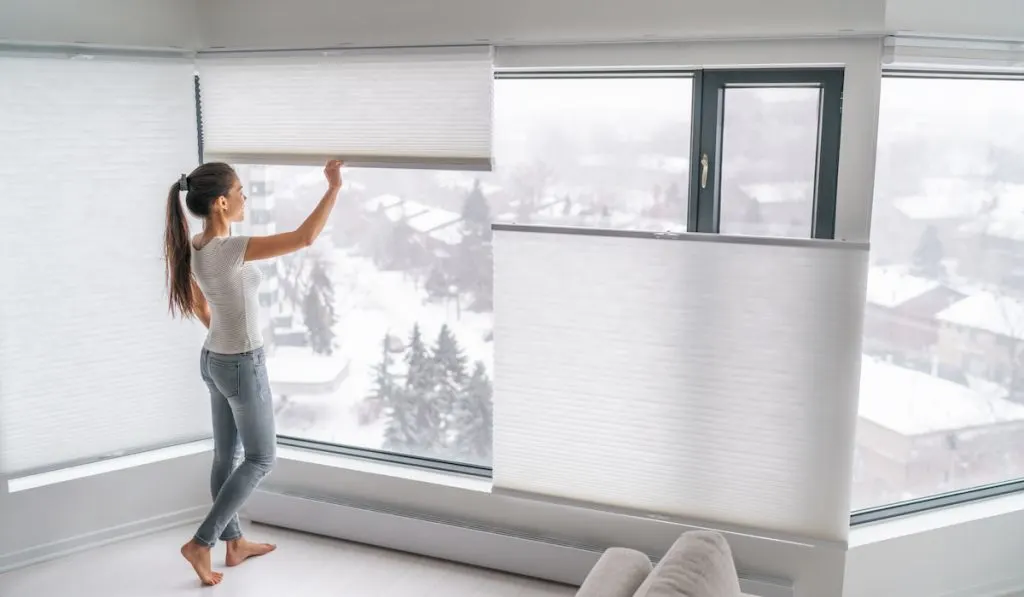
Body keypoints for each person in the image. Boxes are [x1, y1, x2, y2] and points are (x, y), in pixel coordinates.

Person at [163, 159, 344, 586]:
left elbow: (202, 306)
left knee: (226, 457)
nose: (247, 197)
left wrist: (225, 343)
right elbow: (305, 238)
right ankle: (202, 543)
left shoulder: (197, 244)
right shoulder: (230, 249)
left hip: (214, 359)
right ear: (222, 202)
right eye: (242, 191)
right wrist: (334, 187)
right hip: (242, 363)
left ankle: (234, 543)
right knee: (262, 457)